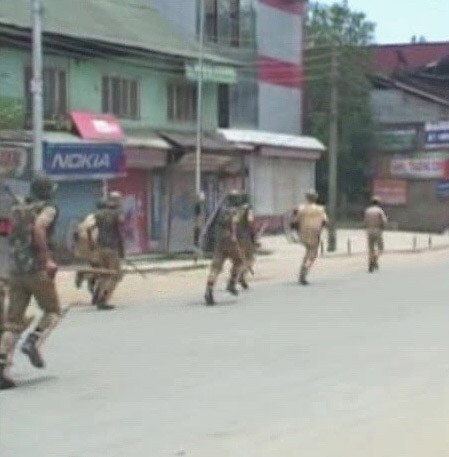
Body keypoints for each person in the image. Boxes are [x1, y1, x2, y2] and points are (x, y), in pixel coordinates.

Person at [0, 176, 61, 390]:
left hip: (15, 270)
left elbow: (9, 234)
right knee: (52, 311)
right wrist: (47, 260)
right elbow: (39, 228)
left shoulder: (17, 208)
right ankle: (33, 341)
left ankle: (2, 365)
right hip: (36, 269)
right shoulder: (49, 208)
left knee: (13, 322)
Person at [204, 191, 246, 306]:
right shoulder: (234, 210)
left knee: (216, 267)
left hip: (219, 241)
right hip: (229, 241)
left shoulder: (220, 210)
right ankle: (231, 283)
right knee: (239, 261)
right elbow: (233, 223)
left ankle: (209, 290)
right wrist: (233, 237)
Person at [89, 191, 125, 310]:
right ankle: (103, 299)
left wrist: (92, 245)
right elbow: (119, 232)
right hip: (111, 247)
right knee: (115, 274)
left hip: (100, 248)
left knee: (104, 274)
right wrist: (122, 249)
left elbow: (89, 228)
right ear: (117, 201)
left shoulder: (98, 214)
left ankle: (97, 296)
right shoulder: (117, 214)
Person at [293, 190, 328, 285]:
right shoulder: (320, 209)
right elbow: (324, 221)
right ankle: (304, 271)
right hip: (315, 233)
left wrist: (297, 232)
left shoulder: (301, 208)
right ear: (316, 198)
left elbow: (294, 222)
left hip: (303, 234)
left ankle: (303, 270)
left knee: (308, 251)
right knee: (313, 254)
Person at [73, 199, 106, 295]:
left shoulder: (90, 216)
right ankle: (85, 277)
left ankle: (86, 279)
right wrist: (93, 243)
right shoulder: (100, 216)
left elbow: (78, 230)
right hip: (92, 244)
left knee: (95, 266)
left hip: (83, 243)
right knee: (99, 267)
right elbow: (91, 230)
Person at [236, 203, 257, 290]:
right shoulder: (248, 210)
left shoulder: (237, 212)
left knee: (241, 259)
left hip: (237, 237)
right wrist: (253, 235)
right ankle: (241, 275)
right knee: (251, 258)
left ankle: (238, 277)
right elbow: (250, 222)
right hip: (246, 237)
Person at [364, 195, 388, 273]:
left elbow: (365, 221)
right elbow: (384, 221)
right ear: (378, 203)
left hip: (369, 230)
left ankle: (371, 262)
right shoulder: (379, 211)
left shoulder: (367, 211)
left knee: (371, 249)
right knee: (381, 248)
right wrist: (382, 227)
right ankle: (374, 259)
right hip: (377, 230)